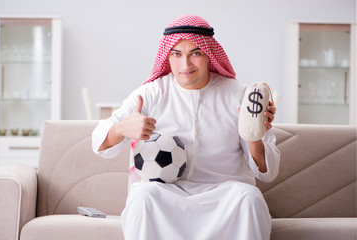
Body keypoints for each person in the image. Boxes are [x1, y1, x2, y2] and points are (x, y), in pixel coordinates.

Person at [92, 15, 280, 240]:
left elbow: (268, 174)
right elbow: (99, 143)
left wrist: (254, 135)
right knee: (143, 195)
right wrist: (122, 128)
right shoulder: (151, 94)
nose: (185, 65)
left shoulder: (239, 95)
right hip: (165, 195)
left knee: (249, 198)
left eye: (195, 53)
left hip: (223, 196)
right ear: (167, 56)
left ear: (209, 55)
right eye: (176, 54)